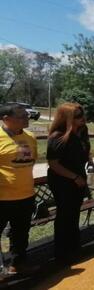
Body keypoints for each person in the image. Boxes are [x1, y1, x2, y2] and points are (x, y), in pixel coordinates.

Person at [46, 103, 94, 264]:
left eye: (82, 114)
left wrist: (89, 160)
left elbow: (84, 150)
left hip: (78, 178)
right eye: (78, 116)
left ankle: (74, 246)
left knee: (73, 213)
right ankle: (61, 252)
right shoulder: (58, 137)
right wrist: (74, 177)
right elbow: (54, 164)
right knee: (64, 215)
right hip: (63, 180)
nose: (83, 119)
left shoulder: (82, 131)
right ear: (66, 118)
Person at [0, 103, 37, 275]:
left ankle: (18, 263)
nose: (26, 118)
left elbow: (32, 160)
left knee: (21, 235)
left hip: (25, 196)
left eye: (26, 115)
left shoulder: (30, 137)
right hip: (2, 198)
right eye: (21, 116)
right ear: (6, 119)